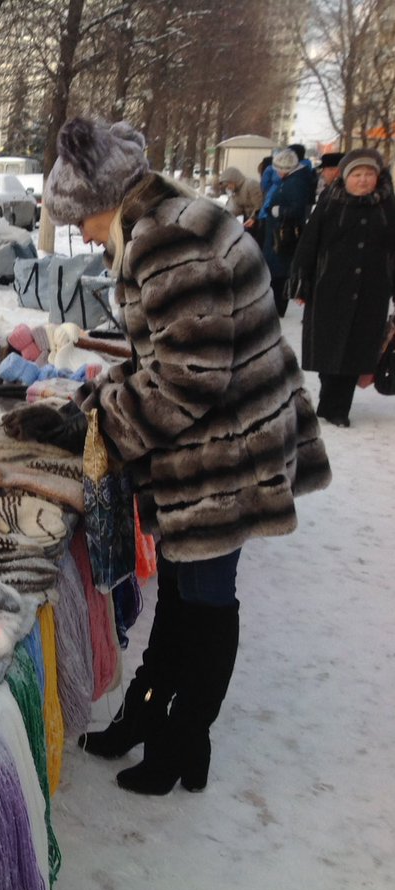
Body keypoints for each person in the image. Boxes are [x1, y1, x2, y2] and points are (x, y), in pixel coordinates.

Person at [31, 118, 331, 796]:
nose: (77, 232)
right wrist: (102, 397)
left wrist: (100, 424)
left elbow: (186, 380)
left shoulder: (166, 240)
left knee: (204, 601)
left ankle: (181, 738)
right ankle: (145, 713)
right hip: (215, 444)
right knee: (183, 589)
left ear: (104, 198)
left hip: (220, 456)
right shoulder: (169, 222)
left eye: (78, 217)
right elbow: (168, 355)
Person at [292, 147, 395, 427]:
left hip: (371, 291)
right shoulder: (330, 202)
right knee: (329, 348)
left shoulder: (387, 206)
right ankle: (328, 402)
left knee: (356, 350)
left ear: (378, 176)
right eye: (357, 174)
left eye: (369, 174)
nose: (363, 180)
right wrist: (302, 282)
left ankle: (339, 410)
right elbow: (309, 245)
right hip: (330, 288)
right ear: (345, 177)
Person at [262, 148, 316, 317]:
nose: (277, 173)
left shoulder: (295, 182)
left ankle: (277, 307)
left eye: (278, 169)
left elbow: (297, 209)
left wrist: (278, 211)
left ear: (286, 168)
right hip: (279, 232)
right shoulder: (292, 180)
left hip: (284, 234)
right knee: (276, 270)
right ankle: (275, 305)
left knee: (279, 271)